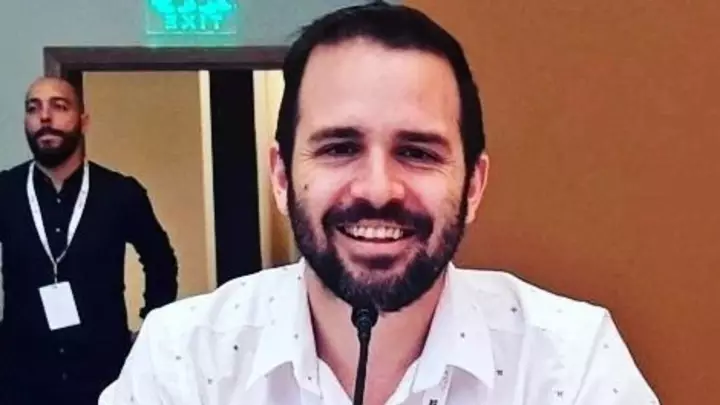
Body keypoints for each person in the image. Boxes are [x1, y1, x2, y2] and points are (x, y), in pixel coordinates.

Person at [98, 4, 660, 405]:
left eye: (417, 152)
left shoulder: (571, 362)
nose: (377, 189)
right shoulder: (184, 358)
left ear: (474, 185)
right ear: (281, 176)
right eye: (340, 148)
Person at [0, 76, 179, 405]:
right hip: (20, 377)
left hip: (103, 375)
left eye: (59, 106)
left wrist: (150, 331)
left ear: (83, 121)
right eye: (33, 108)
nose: (44, 117)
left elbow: (161, 262)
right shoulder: (5, 191)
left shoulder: (120, 193)